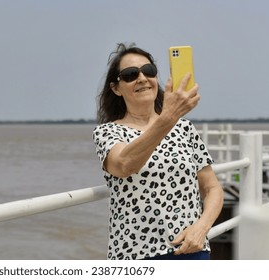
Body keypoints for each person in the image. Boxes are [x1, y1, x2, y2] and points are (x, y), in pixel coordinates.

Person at [92, 43, 224, 260]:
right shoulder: (107, 133)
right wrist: (168, 118)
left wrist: (201, 228)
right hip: (136, 256)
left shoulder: (184, 128)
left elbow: (212, 188)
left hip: (191, 250)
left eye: (149, 71)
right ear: (116, 88)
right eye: (130, 75)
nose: (142, 78)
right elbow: (124, 165)